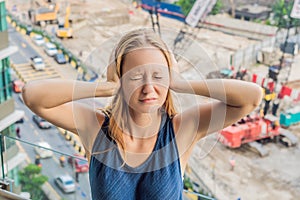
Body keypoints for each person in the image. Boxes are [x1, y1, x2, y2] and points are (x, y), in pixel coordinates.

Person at [22, 28, 262, 199]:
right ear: (120, 78)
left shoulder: (182, 128)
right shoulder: (96, 127)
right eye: (135, 77)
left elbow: (251, 97)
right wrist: (103, 87)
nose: (149, 88)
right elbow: (33, 96)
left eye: (158, 75)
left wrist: (181, 83)